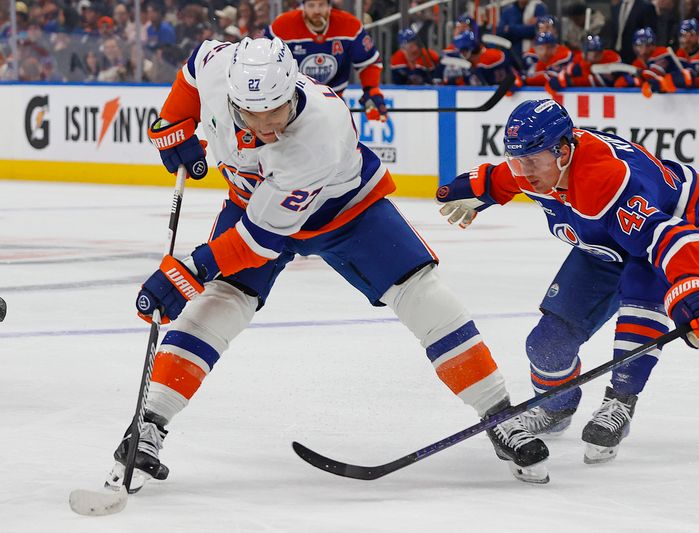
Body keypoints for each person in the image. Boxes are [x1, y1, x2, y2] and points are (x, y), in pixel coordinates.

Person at [105, 37, 551, 492]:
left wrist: (192, 270)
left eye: (276, 111)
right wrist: (174, 121)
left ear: (292, 90)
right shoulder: (221, 69)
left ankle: (500, 414)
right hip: (252, 203)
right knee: (219, 304)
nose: (266, 126)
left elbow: (259, 240)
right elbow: (195, 65)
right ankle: (149, 424)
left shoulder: (319, 131)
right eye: (252, 114)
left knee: (424, 296)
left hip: (346, 211)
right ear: (233, 98)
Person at [436, 99, 699, 464]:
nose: (524, 171)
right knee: (546, 344)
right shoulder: (536, 162)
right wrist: (481, 189)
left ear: (563, 151)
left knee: (641, 292)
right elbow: (504, 177)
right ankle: (556, 407)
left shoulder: (603, 181)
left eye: (532, 161)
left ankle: (620, 401)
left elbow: (669, 236)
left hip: (682, 233)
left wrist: (694, 289)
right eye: (517, 159)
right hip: (606, 243)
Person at [265, 0, 388, 122]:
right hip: (294, 102)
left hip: (334, 100)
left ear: (329, 6)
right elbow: (266, 64)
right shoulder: (282, 26)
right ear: (303, 6)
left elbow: (368, 62)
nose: (317, 11)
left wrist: (371, 90)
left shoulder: (349, 25)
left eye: (321, 5)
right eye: (311, 5)